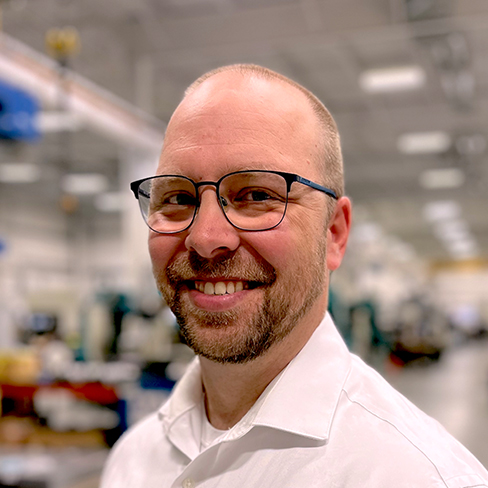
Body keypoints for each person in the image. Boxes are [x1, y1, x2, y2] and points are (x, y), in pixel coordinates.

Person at [101, 64, 488, 487]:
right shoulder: (134, 459)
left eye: (256, 195)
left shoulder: (416, 475)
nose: (205, 237)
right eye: (176, 197)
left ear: (335, 233)